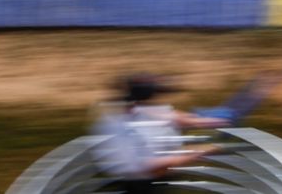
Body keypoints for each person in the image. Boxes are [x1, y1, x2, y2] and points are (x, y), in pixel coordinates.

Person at [90, 73, 230, 192]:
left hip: (153, 179)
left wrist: (212, 121)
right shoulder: (118, 127)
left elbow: (172, 116)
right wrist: (197, 152)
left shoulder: (133, 112)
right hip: (138, 185)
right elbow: (146, 165)